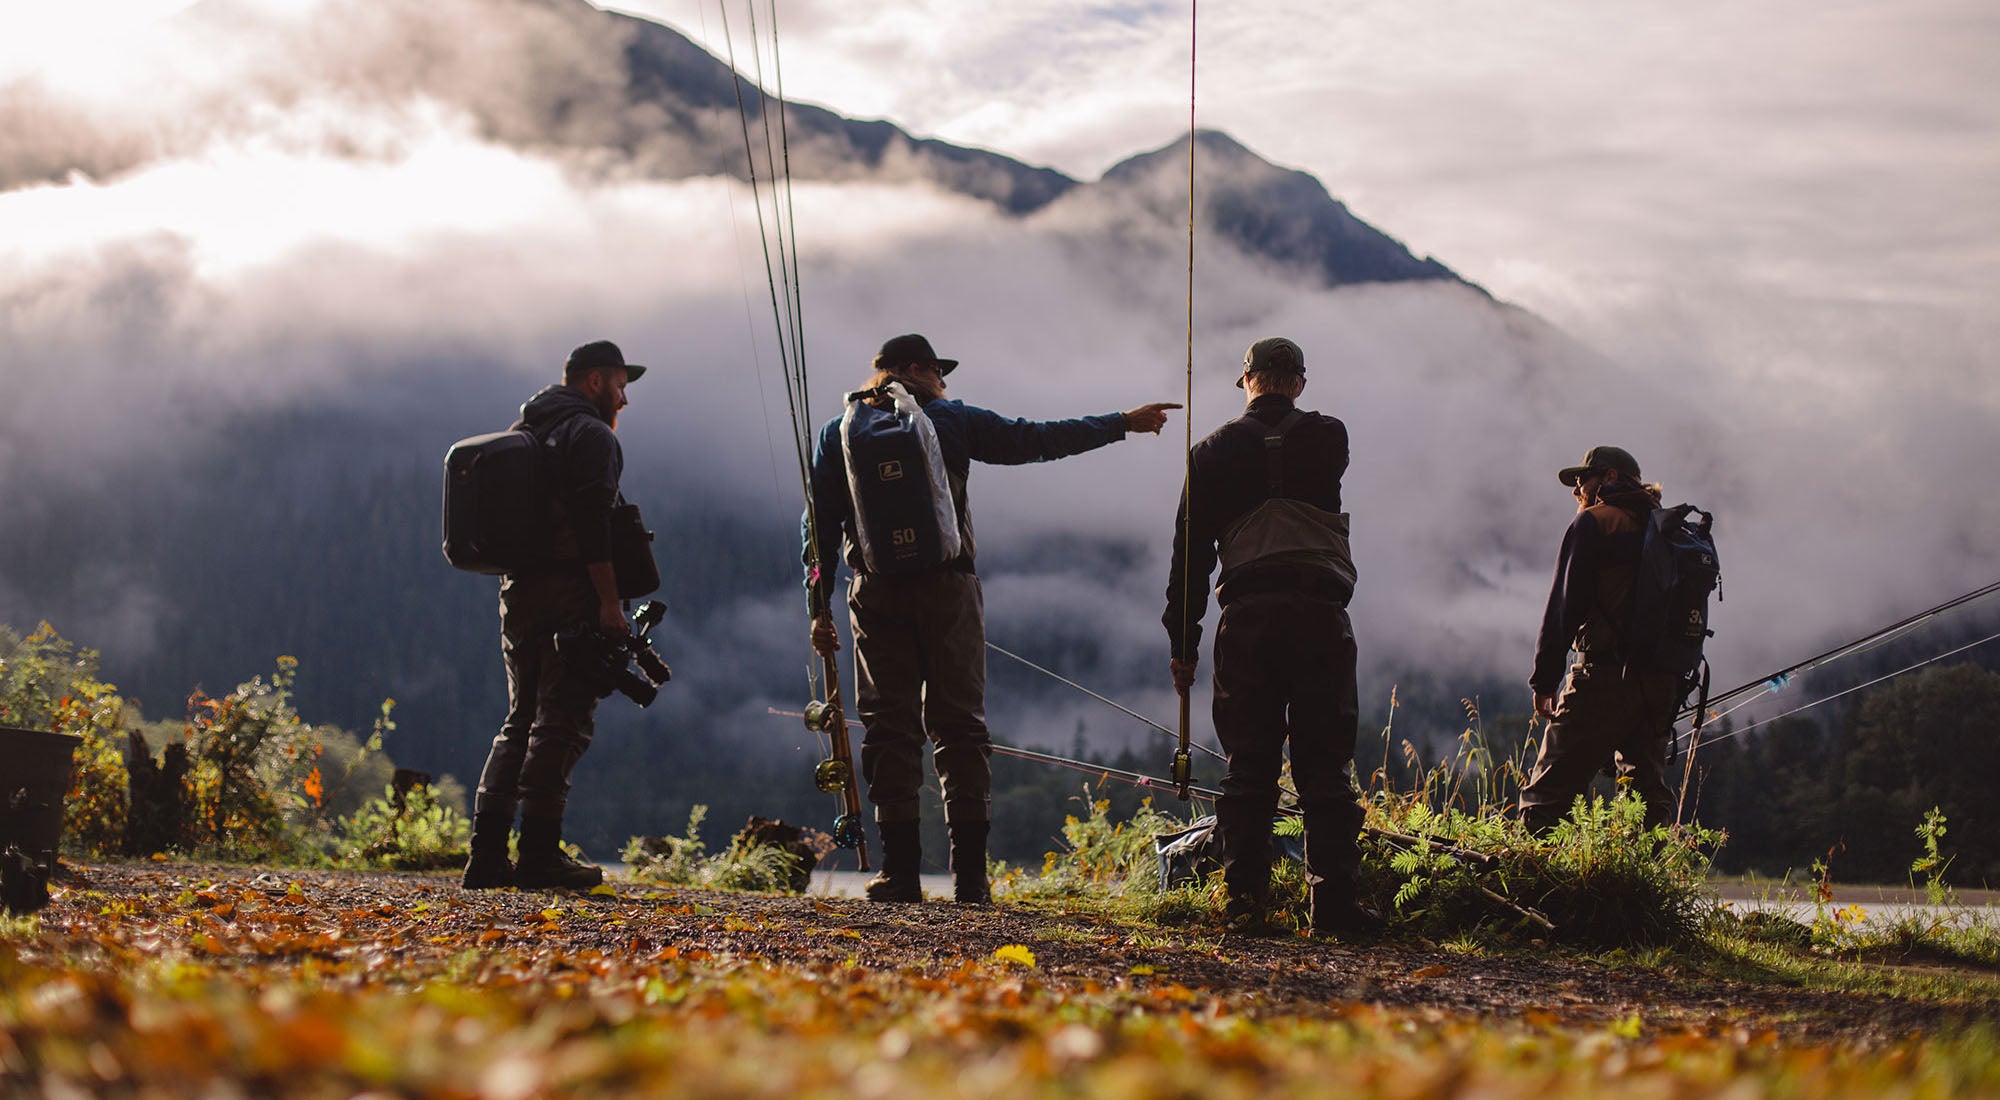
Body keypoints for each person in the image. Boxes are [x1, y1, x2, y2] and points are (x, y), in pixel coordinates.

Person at [807, 333, 1180, 904]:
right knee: (960, 728)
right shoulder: (950, 420)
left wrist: (818, 610)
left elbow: (818, 529)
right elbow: (1033, 440)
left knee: (889, 728)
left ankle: (900, 875)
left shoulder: (840, 433)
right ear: (913, 370)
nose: (945, 383)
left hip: (875, 596)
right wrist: (1120, 422)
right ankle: (971, 881)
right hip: (949, 589)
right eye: (938, 372)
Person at [1163, 336, 1379, 938]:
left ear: (1248, 379)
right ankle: (1333, 906)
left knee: (1249, 764)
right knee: (1325, 764)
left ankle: (1245, 906)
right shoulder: (1329, 436)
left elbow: (1190, 558)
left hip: (1249, 619)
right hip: (1320, 614)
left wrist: (1183, 643)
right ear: (1300, 383)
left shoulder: (1210, 452)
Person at [464, 340, 646, 891]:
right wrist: (611, 603)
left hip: (518, 591)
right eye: (619, 385)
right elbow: (595, 525)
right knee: (561, 720)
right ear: (593, 382)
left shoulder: (524, 431)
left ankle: (487, 854)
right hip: (571, 591)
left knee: (521, 718)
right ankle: (540, 855)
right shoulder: (589, 434)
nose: (624, 399)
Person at [1518, 445, 1677, 833]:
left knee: (1545, 799)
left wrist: (1544, 680)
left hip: (1603, 677)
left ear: (1608, 478)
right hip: (1662, 685)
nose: (1576, 490)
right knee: (1645, 805)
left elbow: (1564, 609)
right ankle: (1641, 889)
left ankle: (1534, 891)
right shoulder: (1666, 530)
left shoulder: (1594, 523)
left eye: (1582, 479)